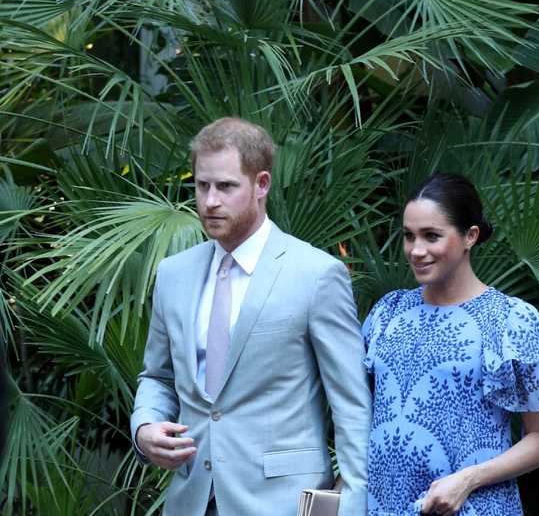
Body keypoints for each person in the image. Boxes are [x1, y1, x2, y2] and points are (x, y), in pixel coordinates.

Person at [131, 117, 372, 516]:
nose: (209, 201)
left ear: (262, 184)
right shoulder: (173, 274)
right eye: (201, 185)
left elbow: (351, 405)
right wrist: (145, 428)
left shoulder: (316, 274)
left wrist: (349, 507)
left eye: (226, 186)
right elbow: (157, 377)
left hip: (285, 504)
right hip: (192, 500)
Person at [362, 173, 539, 516]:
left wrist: (468, 479)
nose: (416, 250)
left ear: (470, 236)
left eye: (431, 236)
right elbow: (358, 411)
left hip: (473, 507)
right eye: (409, 236)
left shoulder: (511, 321)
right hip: (383, 508)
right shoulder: (388, 313)